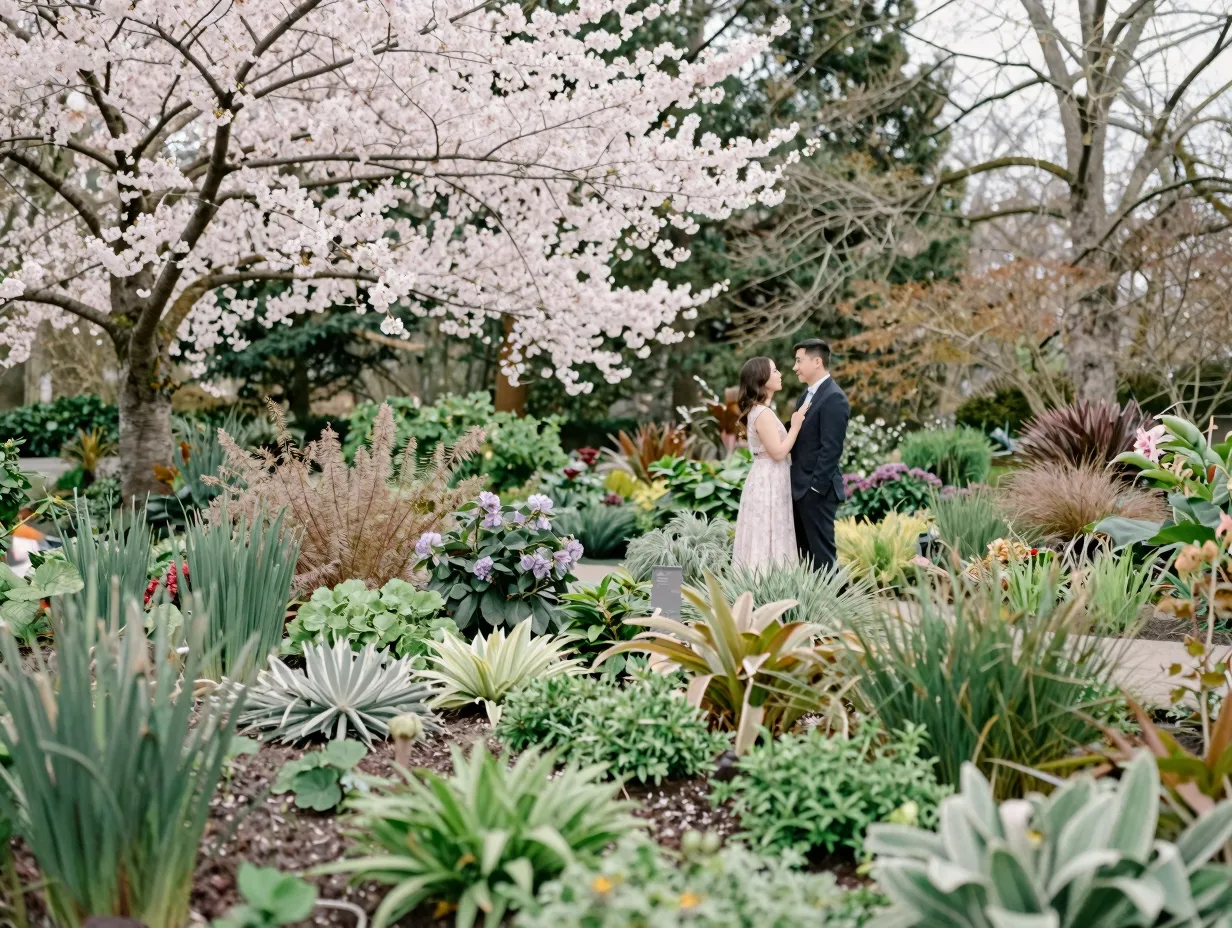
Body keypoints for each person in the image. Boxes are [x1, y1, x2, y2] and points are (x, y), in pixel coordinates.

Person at [731, 356, 809, 571]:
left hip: (768, 477)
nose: (780, 374)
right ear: (762, 378)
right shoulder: (762, 413)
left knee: (766, 532)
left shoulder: (760, 411)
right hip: (769, 480)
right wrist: (795, 426)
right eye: (775, 371)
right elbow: (778, 452)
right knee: (768, 532)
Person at [789, 339, 849, 569]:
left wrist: (815, 488)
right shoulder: (804, 397)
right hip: (799, 489)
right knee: (805, 559)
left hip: (816, 492)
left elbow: (831, 448)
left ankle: (836, 605)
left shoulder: (834, 397)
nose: (795, 367)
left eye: (798, 361)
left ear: (817, 362)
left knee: (823, 557)